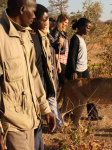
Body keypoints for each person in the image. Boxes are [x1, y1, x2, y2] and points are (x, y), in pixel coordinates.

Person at [0, 0, 56, 150]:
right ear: (22, 9)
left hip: (30, 119)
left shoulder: (25, 33)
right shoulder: (1, 36)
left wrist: (46, 110)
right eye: (33, 10)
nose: (35, 15)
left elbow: (34, 75)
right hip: (11, 125)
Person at [30, 4, 63, 137]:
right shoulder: (25, 37)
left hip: (44, 78)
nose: (46, 23)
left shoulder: (41, 36)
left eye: (47, 20)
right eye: (43, 20)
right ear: (34, 18)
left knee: (45, 106)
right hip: (32, 81)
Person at [65, 18, 101, 121]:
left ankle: (93, 115)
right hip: (77, 71)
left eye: (90, 28)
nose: (89, 29)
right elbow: (71, 57)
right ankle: (68, 115)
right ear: (81, 27)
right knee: (76, 95)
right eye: (88, 27)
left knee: (90, 92)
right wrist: (73, 71)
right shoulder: (75, 39)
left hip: (84, 69)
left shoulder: (81, 38)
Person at [51, 14, 69, 88]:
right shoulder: (56, 32)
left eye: (67, 23)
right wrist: (58, 64)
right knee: (64, 83)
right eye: (64, 22)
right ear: (60, 22)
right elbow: (54, 48)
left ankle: (63, 99)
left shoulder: (63, 33)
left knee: (65, 83)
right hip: (60, 60)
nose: (65, 24)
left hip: (65, 60)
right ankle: (59, 99)